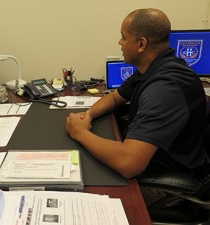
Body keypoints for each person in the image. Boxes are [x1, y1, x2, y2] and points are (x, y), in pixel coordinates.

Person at [66, 8, 208, 207]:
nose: (120, 43)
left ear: (141, 44)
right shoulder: (152, 68)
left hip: (165, 178)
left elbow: (128, 164)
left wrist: (80, 132)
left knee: (80, 191)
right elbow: (115, 98)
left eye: (123, 37)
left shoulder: (165, 88)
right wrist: (89, 114)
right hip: (150, 156)